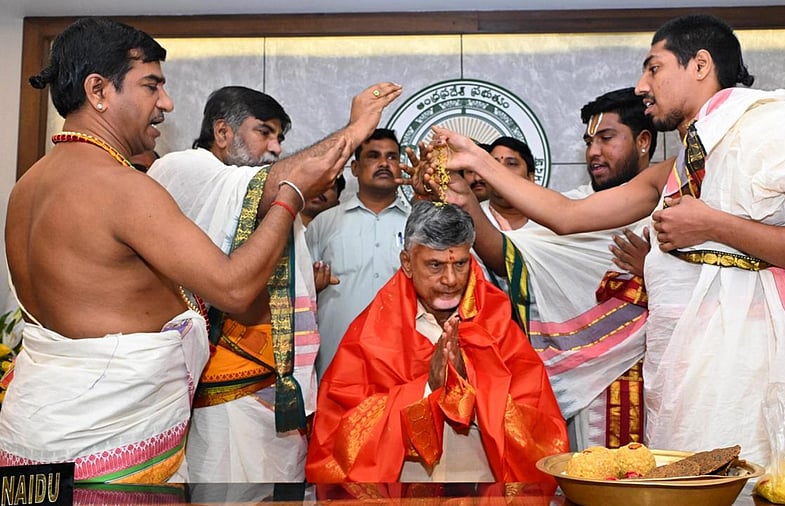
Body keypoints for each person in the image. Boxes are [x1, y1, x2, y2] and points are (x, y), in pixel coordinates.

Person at [429, 14, 785, 480]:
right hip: (682, 379)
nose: (640, 84)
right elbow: (566, 216)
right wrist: (475, 160)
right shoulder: (676, 168)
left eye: (653, 67)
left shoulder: (769, 132)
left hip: (753, 380)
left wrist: (715, 225)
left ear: (699, 65)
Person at [0, 17, 347, 483]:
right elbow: (237, 289)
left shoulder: (27, 187)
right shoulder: (122, 188)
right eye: (152, 86)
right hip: (111, 457)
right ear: (99, 89)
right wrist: (288, 195)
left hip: (31, 437)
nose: (166, 103)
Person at [149, 83, 400, 483]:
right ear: (222, 132)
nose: (276, 147)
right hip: (226, 390)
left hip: (281, 393)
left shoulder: (265, 192)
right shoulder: (185, 169)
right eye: (264, 132)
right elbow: (292, 179)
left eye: (280, 137)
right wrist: (354, 130)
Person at [419, 88, 658, 451]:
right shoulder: (574, 207)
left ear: (643, 141)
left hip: (660, 379)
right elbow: (511, 257)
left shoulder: (673, 208)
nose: (594, 151)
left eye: (606, 138)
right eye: (589, 141)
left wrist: (654, 271)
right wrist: (463, 195)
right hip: (584, 388)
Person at [305, 201, 568, 483]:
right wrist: (428, 387)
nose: (450, 279)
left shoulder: (499, 325)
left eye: (461, 264)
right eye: (435, 265)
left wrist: (471, 383)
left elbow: (539, 428)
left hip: (484, 488)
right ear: (407, 262)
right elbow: (339, 437)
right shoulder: (370, 332)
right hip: (403, 490)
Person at [306, 128, 411, 379]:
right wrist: (312, 284)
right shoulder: (324, 223)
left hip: (401, 360)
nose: (384, 163)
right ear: (354, 168)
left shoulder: (417, 225)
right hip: (335, 360)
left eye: (392, 157)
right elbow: (300, 290)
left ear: (400, 166)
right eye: (373, 156)